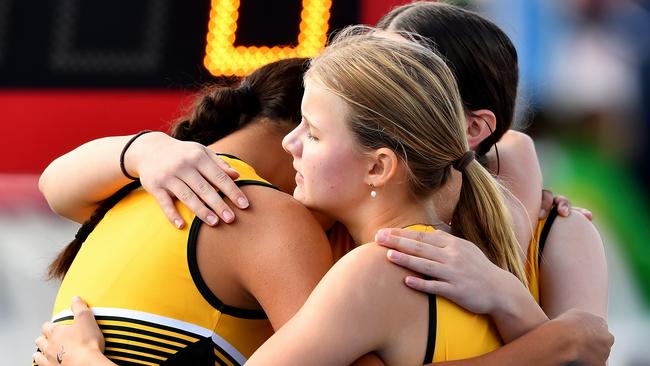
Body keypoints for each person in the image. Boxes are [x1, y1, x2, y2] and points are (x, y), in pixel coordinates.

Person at [35, 27, 601, 365]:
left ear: (379, 166)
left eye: (314, 131)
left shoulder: (374, 271)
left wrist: (87, 360)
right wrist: (545, 327)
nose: (290, 144)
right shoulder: (471, 269)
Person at [374, 1, 607, 320]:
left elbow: (583, 351)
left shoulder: (560, 236)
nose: (371, 91)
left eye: (405, 80)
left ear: (474, 127)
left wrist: (502, 289)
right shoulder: (330, 201)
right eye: (371, 68)